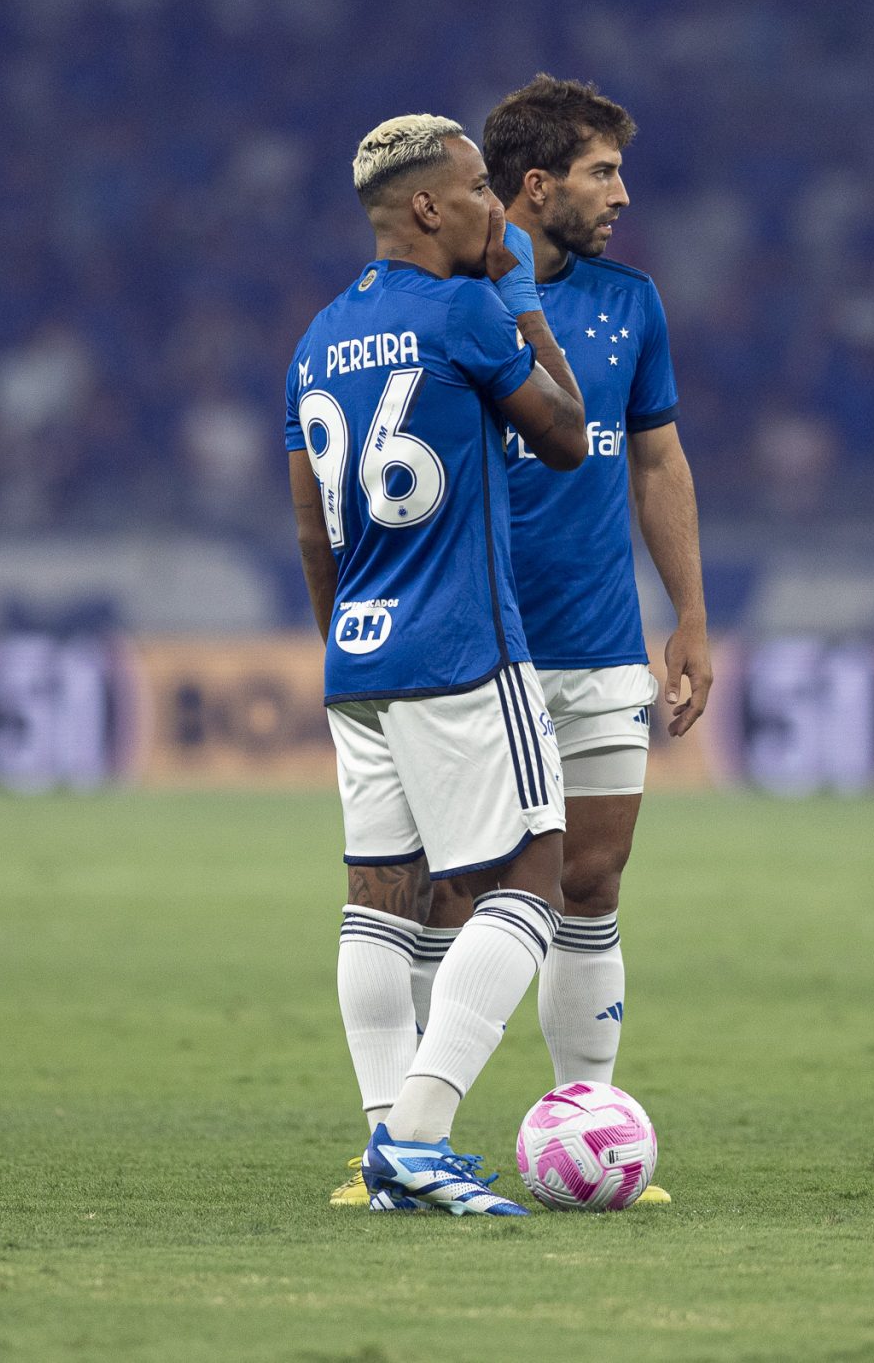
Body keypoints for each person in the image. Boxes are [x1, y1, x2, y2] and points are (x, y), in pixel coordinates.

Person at [333, 76, 710, 1208]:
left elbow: (655, 460)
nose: (621, 195)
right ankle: (403, 1138)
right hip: (467, 645)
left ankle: (582, 1119)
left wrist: (688, 612)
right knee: (444, 896)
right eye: (602, 172)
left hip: (593, 637)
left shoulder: (631, 304)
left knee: (587, 881)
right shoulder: (437, 308)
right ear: (534, 184)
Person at [287, 114, 588, 1215]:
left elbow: (313, 537)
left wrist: (345, 649)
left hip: (354, 654)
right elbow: (567, 434)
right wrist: (521, 295)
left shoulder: (317, 338)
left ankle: (381, 1145)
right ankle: (415, 1136)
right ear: (426, 207)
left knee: (381, 898)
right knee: (535, 877)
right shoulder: (466, 308)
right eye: (478, 191)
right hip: (460, 645)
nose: (495, 212)